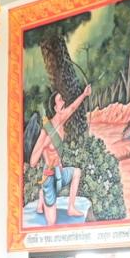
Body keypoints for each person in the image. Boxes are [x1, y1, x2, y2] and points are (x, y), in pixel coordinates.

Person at [28, 85, 92, 226]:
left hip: (60, 173)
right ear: (55, 108)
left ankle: (71, 208)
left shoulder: (62, 120)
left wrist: (84, 94)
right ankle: (43, 198)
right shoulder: (46, 131)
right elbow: (32, 162)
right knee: (52, 222)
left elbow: (73, 107)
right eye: (60, 100)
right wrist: (44, 144)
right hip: (49, 177)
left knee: (77, 172)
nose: (64, 102)